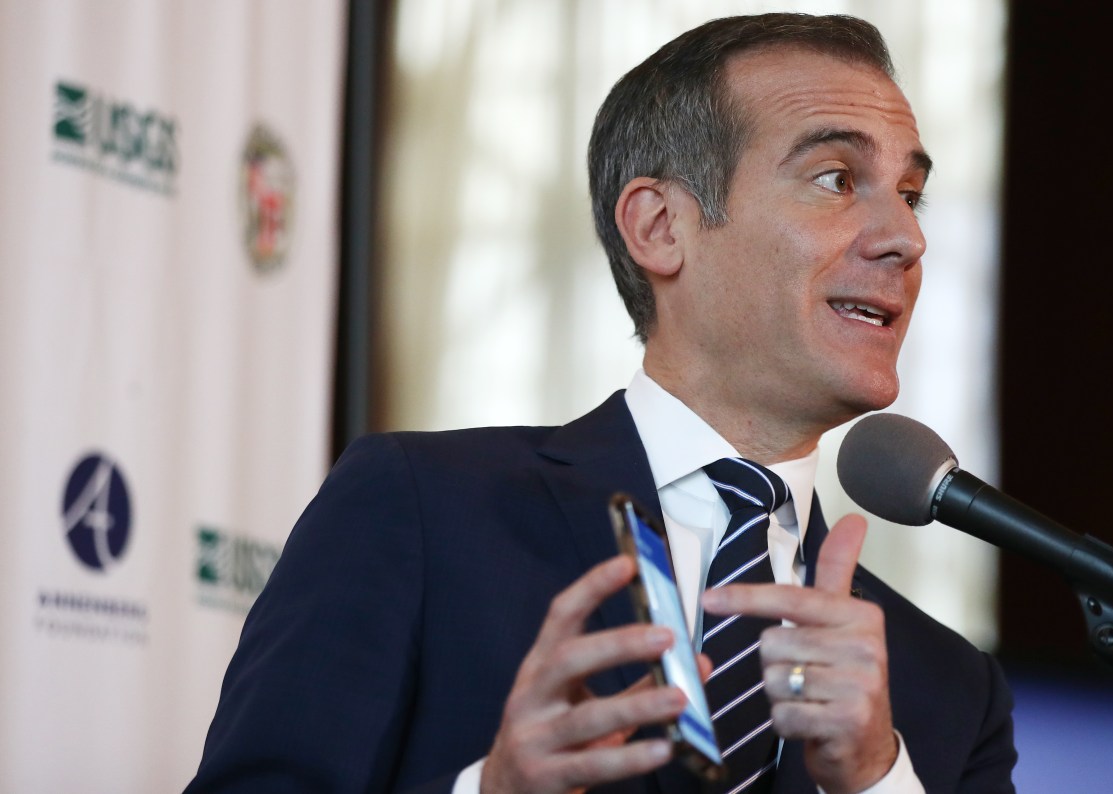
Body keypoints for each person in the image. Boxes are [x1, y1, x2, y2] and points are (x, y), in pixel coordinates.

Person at [187, 13, 1016, 794]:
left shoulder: (945, 686)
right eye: (837, 178)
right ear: (659, 226)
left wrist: (875, 778)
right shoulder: (422, 509)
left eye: (910, 193)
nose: (906, 238)